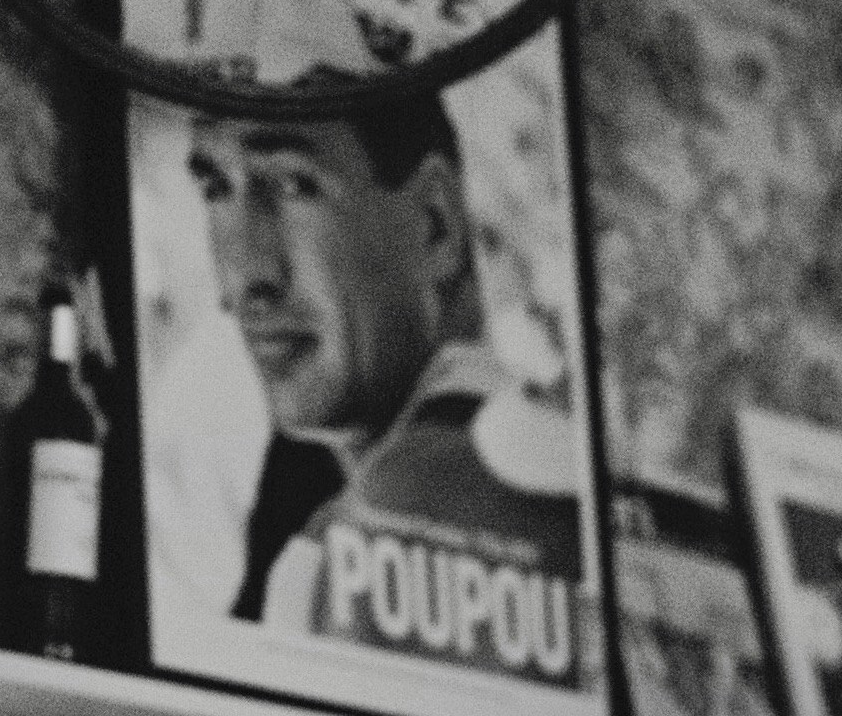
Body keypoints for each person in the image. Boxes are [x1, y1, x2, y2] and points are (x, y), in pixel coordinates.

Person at [179, 87, 586, 668]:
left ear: (433, 225)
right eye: (215, 189)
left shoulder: (525, 479)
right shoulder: (293, 483)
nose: (243, 282)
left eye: (294, 185)